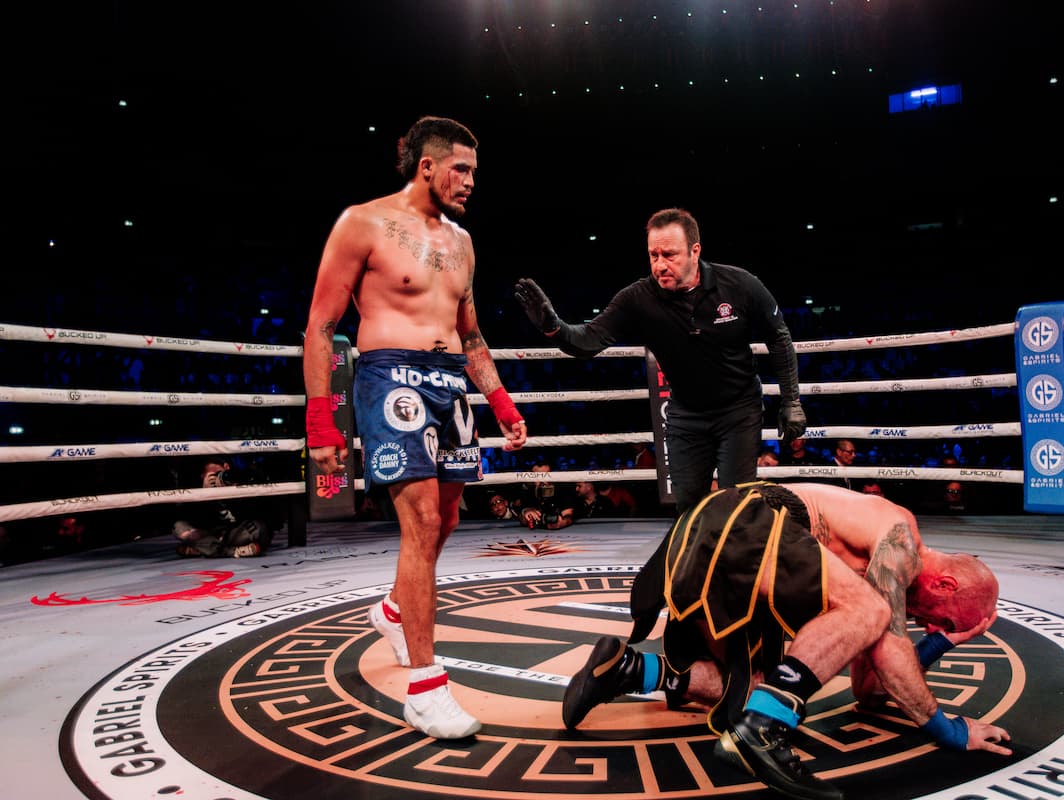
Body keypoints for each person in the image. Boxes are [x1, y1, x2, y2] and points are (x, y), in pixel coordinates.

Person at [563, 482, 1009, 799]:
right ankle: (762, 730)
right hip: (746, 519)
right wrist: (951, 731)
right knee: (870, 611)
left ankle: (628, 670)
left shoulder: (866, 573)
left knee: (761, 687)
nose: (926, 623)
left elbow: (869, 692)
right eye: (940, 622)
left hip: (721, 537)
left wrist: (938, 646)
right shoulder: (901, 537)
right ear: (946, 585)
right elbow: (889, 648)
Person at [303, 116, 528, 739]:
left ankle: (396, 611)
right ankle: (425, 690)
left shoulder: (462, 242)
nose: (470, 181)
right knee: (422, 520)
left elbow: (473, 334)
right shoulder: (363, 222)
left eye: (476, 172)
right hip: (389, 376)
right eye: (461, 168)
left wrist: (503, 405)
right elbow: (321, 327)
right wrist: (322, 424)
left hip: (451, 379)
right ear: (426, 165)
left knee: (448, 520)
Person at [515, 208, 806, 512]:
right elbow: (588, 341)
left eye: (669, 255)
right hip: (686, 415)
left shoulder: (739, 284)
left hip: (739, 410)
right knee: (688, 508)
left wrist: (791, 401)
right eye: (653, 255)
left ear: (695, 251)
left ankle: (738, 559)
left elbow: (778, 337)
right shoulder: (638, 298)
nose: (660, 265)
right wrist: (553, 327)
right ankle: (693, 560)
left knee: (737, 505)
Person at [173, 458, 277, 558]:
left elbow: (259, 512)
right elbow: (196, 520)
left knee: (258, 527)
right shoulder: (199, 489)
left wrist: (231, 492)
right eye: (212, 476)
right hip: (213, 534)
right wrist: (205, 494)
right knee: (179, 527)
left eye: (218, 473)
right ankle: (231, 551)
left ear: (226, 467)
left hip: (236, 532)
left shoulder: (240, 477)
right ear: (203, 477)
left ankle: (204, 549)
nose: (216, 478)